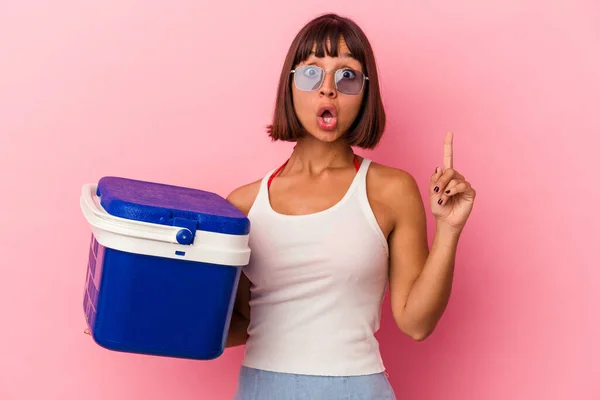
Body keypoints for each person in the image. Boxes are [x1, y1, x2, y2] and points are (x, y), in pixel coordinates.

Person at [225, 13, 476, 399]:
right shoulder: (241, 205)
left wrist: (449, 229)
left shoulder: (391, 190)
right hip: (261, 388)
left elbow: (415, 323)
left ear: (365, 93)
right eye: (311, 73)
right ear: (290, 85)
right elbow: (240, 322)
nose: (328, 89)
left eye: (347, 76)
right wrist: (146, 318)